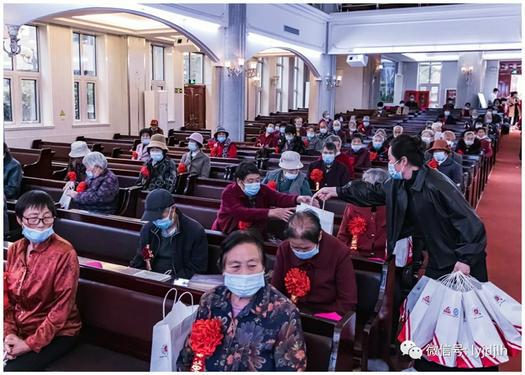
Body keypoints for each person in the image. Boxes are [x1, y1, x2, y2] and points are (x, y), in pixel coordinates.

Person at [314, 136, 491, 373]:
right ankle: (426, 366)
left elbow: (473, 225)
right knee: (433, 316)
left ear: (403, 161)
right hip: (439, 259)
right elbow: (373, 192)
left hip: (461, 261)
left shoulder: (437, 184)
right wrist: (337, 191)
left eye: (390, 160)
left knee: (465, 323)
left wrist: (465, 259)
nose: (389, 165)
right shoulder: (401, 183)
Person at [177, 230, 307, 371]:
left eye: (252, 266)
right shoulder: (211, 300)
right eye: (235, 266)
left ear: (263, 267)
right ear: (223, 269)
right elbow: (188, 356)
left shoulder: (284, 312)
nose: (244, 273)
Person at [4, 191, 81, 371]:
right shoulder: (15, 249)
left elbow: (62, 308)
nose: (41, 225)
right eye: (33, 219)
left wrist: (29, 344)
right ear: (20, 220)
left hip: (58, 331)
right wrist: (9, 333)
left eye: (47, 218)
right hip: (19, 325)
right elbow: (8, 299)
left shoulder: (64, 253)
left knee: (11, 370)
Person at [272, 210, 357, 315]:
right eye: (295, 248)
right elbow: (275, 290)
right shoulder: (284, 249)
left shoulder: (339, 252)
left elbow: (347, 301)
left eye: (305, 248)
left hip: (326, 314)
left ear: (319, 235)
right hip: (290, 311)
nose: (300, 252)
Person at [212, 161, 313, 235]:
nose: (255, 184)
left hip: (255, 233)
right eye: (250, 181)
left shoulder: (262, 189)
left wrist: (298, 199)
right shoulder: (229, 192)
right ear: (240, 181)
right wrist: (270, 212)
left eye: (257, 180)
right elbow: (240, 212)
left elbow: (278, 198)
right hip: (228, 233)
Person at [130, 189, 208, 278]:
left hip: (177, 283)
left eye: (160, 216)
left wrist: (171, 280)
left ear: (173, 209)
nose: (156, 220)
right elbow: (140, 259)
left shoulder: (195, 231)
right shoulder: (148, 229)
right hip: (150, 278)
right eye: (153, 217)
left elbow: (197, 269)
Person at [337, 169, 388, 257]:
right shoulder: (353, 205)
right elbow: (343, 234)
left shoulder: (390, 206)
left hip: (382, 255)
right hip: (356, 253)